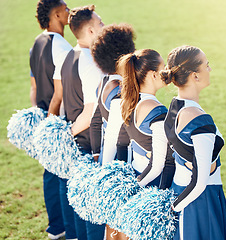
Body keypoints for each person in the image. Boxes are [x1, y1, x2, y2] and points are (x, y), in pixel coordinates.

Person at [160, 45, 226, 239]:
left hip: (180, 192)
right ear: (195, 76)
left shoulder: (174, 109)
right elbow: (200, 181)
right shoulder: (200, 120)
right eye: (206, 65)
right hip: (199, 202)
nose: (210, 70)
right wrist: (173, 210)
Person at [61, 5, 105, 240]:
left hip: (78, 145)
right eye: (100, 24)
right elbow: (90, 113)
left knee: (80, 212)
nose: (104, 27)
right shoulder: (90, 63)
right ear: (89, 31)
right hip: (88, 146)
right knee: (93, 215)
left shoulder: (71, 54)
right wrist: (68, 135)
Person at [29, 0, 72, 239]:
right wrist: (53, 123)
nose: (69, 12)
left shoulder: (36, 42)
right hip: (59, 120)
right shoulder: (63, 47)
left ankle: (56, 228)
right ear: (56, 14)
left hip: (43, 117)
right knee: (64, 175)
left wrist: (39, 117)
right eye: (66, 9)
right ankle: (68, 228)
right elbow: (61, 92)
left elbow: (33, 86)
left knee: (50, 174)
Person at [90, 23, 136, 240]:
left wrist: (96, 157)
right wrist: (106, 173)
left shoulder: (103, 82)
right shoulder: (119, 91)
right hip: (118, 164)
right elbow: (112, 137)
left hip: (107, 162)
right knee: (122, 225)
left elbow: (95, 123)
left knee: (113, 224)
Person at [117, 49, 175, 189]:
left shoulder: (130, 102)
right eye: (163, 68)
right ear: (153, 75)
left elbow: (121, 143)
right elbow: (157, 166)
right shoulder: (157, 111)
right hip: (153, 184)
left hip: (137, 171)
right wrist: (133, 188)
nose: (167, 71)